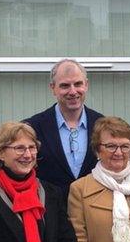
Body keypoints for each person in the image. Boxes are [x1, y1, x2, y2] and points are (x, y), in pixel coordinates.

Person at [23, 59, 103, 191]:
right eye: (65, 86)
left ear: (86, 85)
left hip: (92, 208)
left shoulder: (102, 125)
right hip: (47, 209)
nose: (73, 91)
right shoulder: (32, 128)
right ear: (53, 88)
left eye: (78, 84)